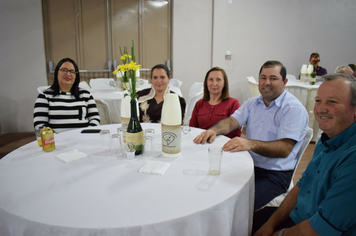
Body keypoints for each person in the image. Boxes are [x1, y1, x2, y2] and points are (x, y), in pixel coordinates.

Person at [193, 60, 309, 211]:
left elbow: (284, 148)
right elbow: (231, 122)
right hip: (249, 165)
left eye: (273, 78)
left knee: (236, 206)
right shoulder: (252, 103)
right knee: (210, 188)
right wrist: (214, 130)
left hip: (274, 174)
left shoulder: (292, 108)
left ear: (284, 82)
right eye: (263, 77)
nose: (267, 82)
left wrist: (250, 144)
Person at [253, 74, 356, 236]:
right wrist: (270, 224)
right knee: (242, 221)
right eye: (318, 101)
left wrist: (278, 234)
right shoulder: (326, 139)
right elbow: (302, 185)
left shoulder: (352, 157)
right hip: (300, 216)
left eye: (332, 102)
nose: (321, 109)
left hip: (318, 230)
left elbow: (321, 228)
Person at [33, 58, 100, 133]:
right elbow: (40, 125)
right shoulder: (45, 96)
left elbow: (95, 119)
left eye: (72, 71)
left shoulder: (86, 95)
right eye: (64, 70)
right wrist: (57, 139)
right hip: (56, 142)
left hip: (83, 140)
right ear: (57, 72)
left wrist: (86, 135)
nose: (68, 74)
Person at [189, 67, 241, 138]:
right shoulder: (199, 103)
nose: (214, 84)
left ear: (224, 83)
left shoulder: (233, 103)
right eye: (211, 80)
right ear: (206, 83)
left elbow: (235, 133)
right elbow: (192, 128)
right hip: (200, 143)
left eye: (218, 80)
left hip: (223, 145)